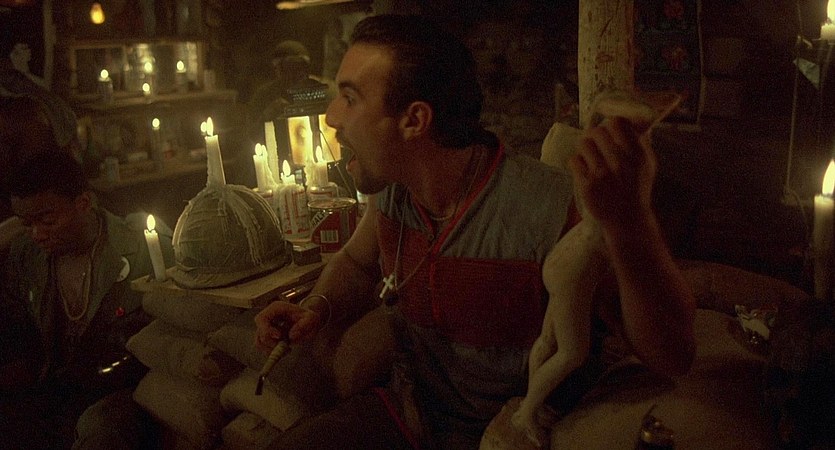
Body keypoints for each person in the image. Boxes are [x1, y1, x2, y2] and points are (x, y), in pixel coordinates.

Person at [254, 14, 696, 449]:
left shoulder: (547, 209)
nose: (331, 116)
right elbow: (354, 263)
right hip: (410, 414)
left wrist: (630, 222)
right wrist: (316, 307)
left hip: (503, 432)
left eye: (350, 98)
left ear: (414, 120)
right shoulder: (393, 190)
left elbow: (672, 354)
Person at [0, 150, 174, 449]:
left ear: (83, 203)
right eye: (26, 224)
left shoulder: (140, 245)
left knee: (101, 429)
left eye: (47, 221)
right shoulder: (27, 254)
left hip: (124, 387)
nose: (36, 234)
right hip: (56, 389)